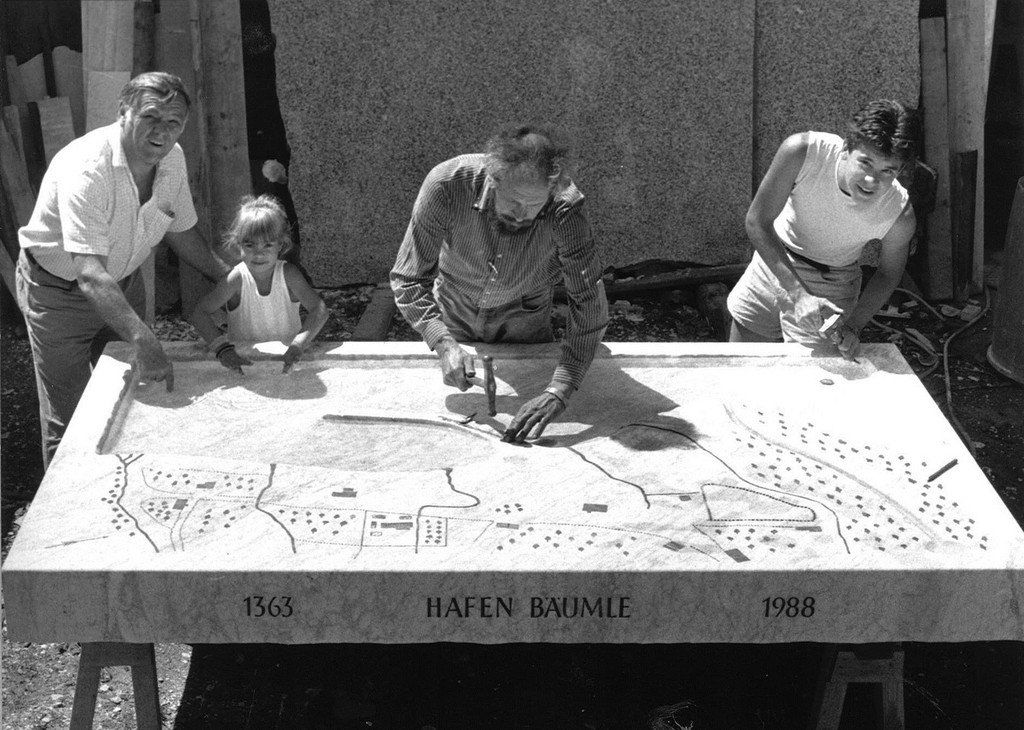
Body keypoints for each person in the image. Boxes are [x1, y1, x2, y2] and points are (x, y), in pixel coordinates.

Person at [16, 71, 231, 467]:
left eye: (174, 122)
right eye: (150, 117)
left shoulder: (172, 159)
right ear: (123, 112)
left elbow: (182, 231)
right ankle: (71, 503)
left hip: (123, 285)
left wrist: (230, 279)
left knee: (135, 400)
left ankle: (124, 486)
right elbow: (89, 274)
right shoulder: (87, 169)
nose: (162, 132)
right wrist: (143, 337)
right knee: (72, 423)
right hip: (58, 295)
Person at [390, 124, 608, 443]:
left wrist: (559, 389)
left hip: (526, 317)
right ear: (493, 179)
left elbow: (589, 302)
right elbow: (408, 278)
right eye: (514, 202)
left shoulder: (564, 205)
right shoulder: (446, 184)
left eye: (534, 207)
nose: (522, 216)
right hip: (455, 310)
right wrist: (443, 342)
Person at [728, 99, 920, 359]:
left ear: (900, 170)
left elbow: (888, 273)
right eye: (865, 163)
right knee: (741, 363)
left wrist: (853, 326)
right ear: (846, 148)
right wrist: (797, 294)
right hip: (772, 260)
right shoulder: (803, 152)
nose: (871, 180)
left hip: (832, 282)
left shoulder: (898, 213)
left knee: (816, 377)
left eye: (887, 171)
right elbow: (757, 221)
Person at [189, 195, 328, 374]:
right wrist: (222, 350)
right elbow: (199, 313)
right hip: (244, 365)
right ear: (238, 244)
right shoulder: (236, 279)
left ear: (281, 245)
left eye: (267, 245)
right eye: (250, 245)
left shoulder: (289, 275)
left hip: (286, 363)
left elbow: (319, 309)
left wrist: (298, 345)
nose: (258, 254)